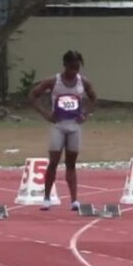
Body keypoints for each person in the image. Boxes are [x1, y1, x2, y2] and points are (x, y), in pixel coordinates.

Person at [29, 50, 98, 212]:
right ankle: (46, 198)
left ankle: (74, 200)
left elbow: (94, 98)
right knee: (53, 162)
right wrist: (45, 113)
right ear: (65, 65)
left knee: (71, 163)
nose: (74, 71)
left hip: (74, 126)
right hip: (58, 125)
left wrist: (86, 114)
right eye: (72, 67)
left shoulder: (83, 82)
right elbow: (33, 95)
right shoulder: (54, 81)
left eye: (77, 68)